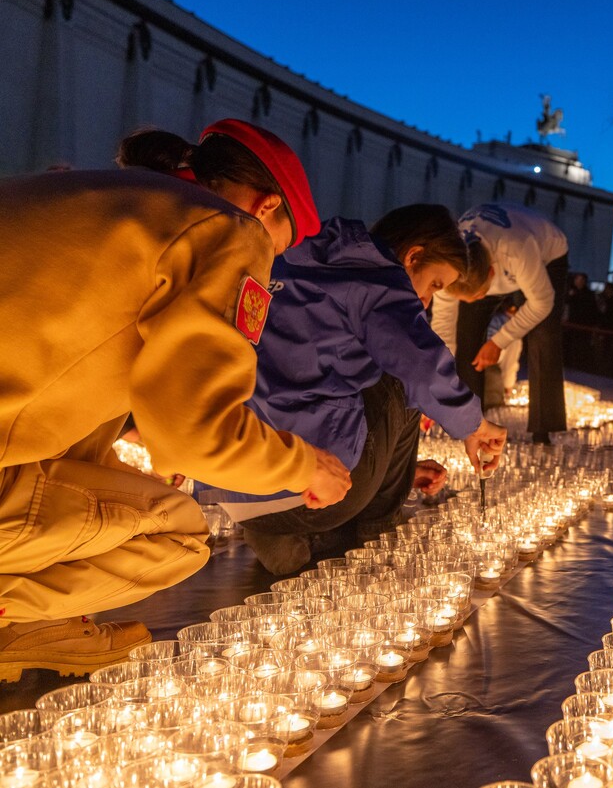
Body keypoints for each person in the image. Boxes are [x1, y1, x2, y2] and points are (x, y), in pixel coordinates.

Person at [0, 119, 352, 678]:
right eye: (279, 248)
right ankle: (17, 623)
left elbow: (58, 390)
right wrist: (304, 465)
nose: (270, 261)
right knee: (179, 532)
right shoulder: (229, 229)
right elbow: (197, 430)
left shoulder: (110, 202)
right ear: (264, 208)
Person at [195, 206, 508, 574]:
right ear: (413, 256)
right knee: (399, 379)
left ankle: (285, 536)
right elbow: (421, 367)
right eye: (434, 286)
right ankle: (373, 544)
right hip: (313, 489)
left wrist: (399, 471)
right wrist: (474, 426)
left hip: (237, 486)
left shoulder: (290, 256)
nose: (426, 301)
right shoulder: (377, 279)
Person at [431, 202, 569, 444]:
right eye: (468, 299)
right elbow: (443, 326)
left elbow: (542, 303)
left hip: (548, 252)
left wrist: (499, 342)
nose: (476, 301)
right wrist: (439, 385)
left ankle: (543, 430)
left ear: (492, 275)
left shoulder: (516, 249)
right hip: (487, 260)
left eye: (478, 296)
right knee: (467, 336)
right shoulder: (450, 264)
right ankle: (468, 422)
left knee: (543, 335)